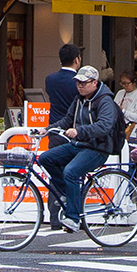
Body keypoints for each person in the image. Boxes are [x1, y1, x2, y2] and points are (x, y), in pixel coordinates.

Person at [37, 65, 120, 233]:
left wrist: (79, 131)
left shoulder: (105, 101)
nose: (80, 86)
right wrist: (47, 129)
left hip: (98, 148)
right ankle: (67, 194)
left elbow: (104, 126)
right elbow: (67, 120)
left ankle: (74, 218)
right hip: (79, 144)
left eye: (84, 82)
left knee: (71, 172)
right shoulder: (79, 99)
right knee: (46, 158)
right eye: (77, 83)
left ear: (95, 82)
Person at [45, 44, 82, 128]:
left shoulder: (50, 79)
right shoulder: (79, 81)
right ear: (76, 60)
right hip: (73, 128)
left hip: (54, 126)